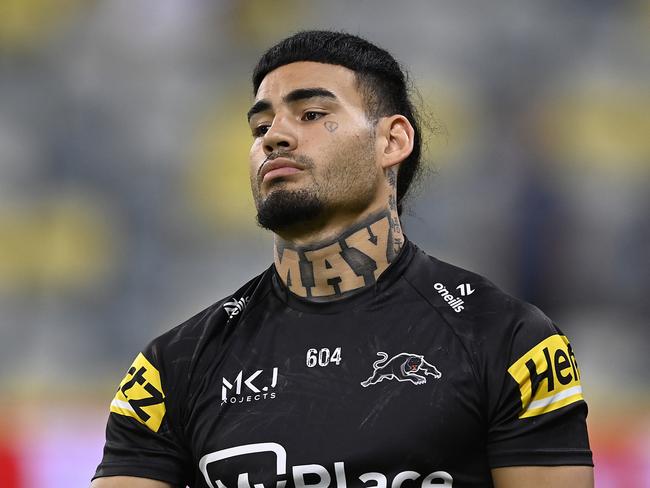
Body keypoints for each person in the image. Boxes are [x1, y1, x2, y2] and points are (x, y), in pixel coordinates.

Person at [91, 31, 593, 488]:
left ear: (392, 140)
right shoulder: (172, 366)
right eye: (260, 125)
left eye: (311, 114)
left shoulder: (507, 338)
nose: (273, 137)